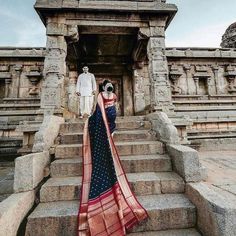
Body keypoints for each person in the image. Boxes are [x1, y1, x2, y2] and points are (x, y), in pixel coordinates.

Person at [77, 80, 148, 236]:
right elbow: (99, 109)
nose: (109, 88)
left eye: (110, 86)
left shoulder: (110, 95)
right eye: (107, 86)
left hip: (111, 120)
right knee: (107, 136)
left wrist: (109, 99)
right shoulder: (103, 95)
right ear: (104, 87)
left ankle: (109, 140)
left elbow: (110, 105)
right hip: (105, 120)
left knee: (111, 133)